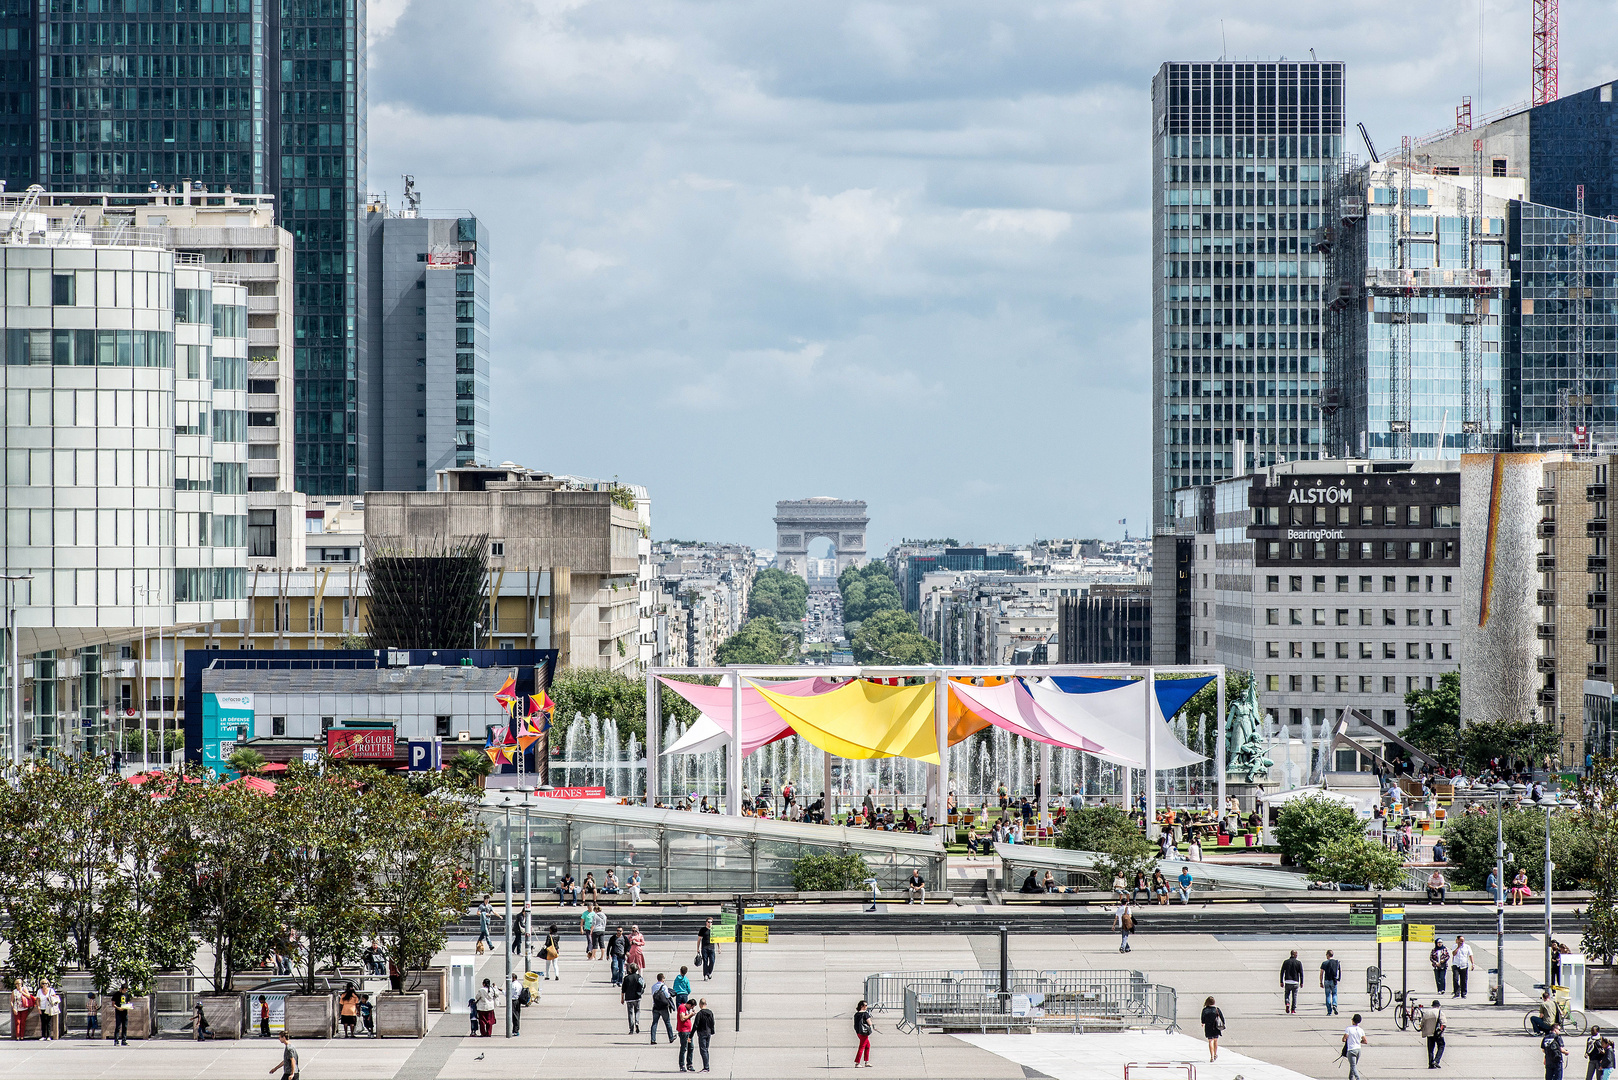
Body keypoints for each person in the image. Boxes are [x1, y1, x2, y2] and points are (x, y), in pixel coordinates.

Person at [650, 972, 676, 1044]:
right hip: (663, 1007)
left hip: (656, 1006)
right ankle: (671, 1037)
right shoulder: (664, 986)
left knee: (654, 1023)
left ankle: (653, 1039)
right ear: (662, 979)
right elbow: (667, 996)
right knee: (667, 1022)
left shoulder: (653, 986)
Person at [1343, 1014, 1369, 1080]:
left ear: (1353, 1021)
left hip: (1351, 1050)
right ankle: (1350, 1078)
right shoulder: (1361, 1030)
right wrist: (1359, 1041)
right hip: (1358, 1050)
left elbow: (1344, 1039)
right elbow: (1365, 1041)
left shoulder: (1348, 1029)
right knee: (1353, 1066)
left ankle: (1358, 1078)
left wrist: (1347, 1039)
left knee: (1353, 1066)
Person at [1421, 998, 1445, 1068]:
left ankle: (1430, 1064)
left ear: (1432, 1006)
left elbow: (1422, 1023)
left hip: (1429, 1033)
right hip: (1437, 1033)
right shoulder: (1440, 1012)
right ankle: (1436, 1060)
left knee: (1430, 1049)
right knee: (1441, 1045)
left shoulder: (1427, 1013)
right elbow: (1443, 1023)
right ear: (1438, 1006)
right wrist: (1441, 1031)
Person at [621, 963, 645, 1034]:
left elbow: (623, 989)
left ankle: (631, 1028)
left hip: (629, 998)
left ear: (630, 969)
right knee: (637, 1010)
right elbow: (643, 985)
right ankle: (637, 1022)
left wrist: (622, 998)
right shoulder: (639, 977)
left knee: (630, 1013)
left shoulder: (626, 978)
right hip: (637, 997)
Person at [1200, 996, 1225, 1062]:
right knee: (1215, 1040)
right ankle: (1215, 1054)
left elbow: (1203, 1019)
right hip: (1216, 1027)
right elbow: (1222, 1018)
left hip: (1208, 1027)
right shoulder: (1217, 1009)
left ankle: (1211, 1056)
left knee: (1210, 1041)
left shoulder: (1205, 1010)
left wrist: (1203, 1022)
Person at [1280, 950, 1304, 1014]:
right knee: (1294, 996)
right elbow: (1301, 973)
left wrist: (1281, 981)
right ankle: (1293, 1009)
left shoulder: (1286, 962)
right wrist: (1302, 982)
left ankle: (1287, 1003)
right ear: (1295, 955)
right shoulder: (1298, 963)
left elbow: (1282, 972)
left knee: (1287, 994)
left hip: (1287, 981)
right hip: (1295, 982)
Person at [676, 998, 696, 1071]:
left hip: (689, 1031)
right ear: (689, 1004)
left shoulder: (687, 1009)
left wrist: (691, 1014)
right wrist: (690, 1014)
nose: (692, 1008)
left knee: (691, 1047)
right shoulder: (682, 1007)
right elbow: (682, 1018)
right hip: (683, 1031)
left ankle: (689, 1064)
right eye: (692, 1007)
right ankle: (682, 1065)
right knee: (684, 1048)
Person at [1320, 949, 1341, 1016]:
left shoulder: (1324, 963)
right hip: (1334, 980)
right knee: (1334, 994)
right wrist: (1338, 979)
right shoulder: (1336, 962)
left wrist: (1321, 982)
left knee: (1328, 995)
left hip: (1327, 980)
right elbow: (1339, 971)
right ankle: (1334, 1004)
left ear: (1328, 955)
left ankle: (1329, 1011)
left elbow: (1321, 973)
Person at [854, 998, 874, 1068]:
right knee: (862, 1047)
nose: (866, 1007)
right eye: (865, 1005)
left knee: (867, 1046)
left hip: (859, 1032)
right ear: (861, 1006)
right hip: (864, 1033)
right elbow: (869, 1023)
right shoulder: (865, 1014)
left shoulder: (856, 1014)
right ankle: (857, 1063)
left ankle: (866, 1061)